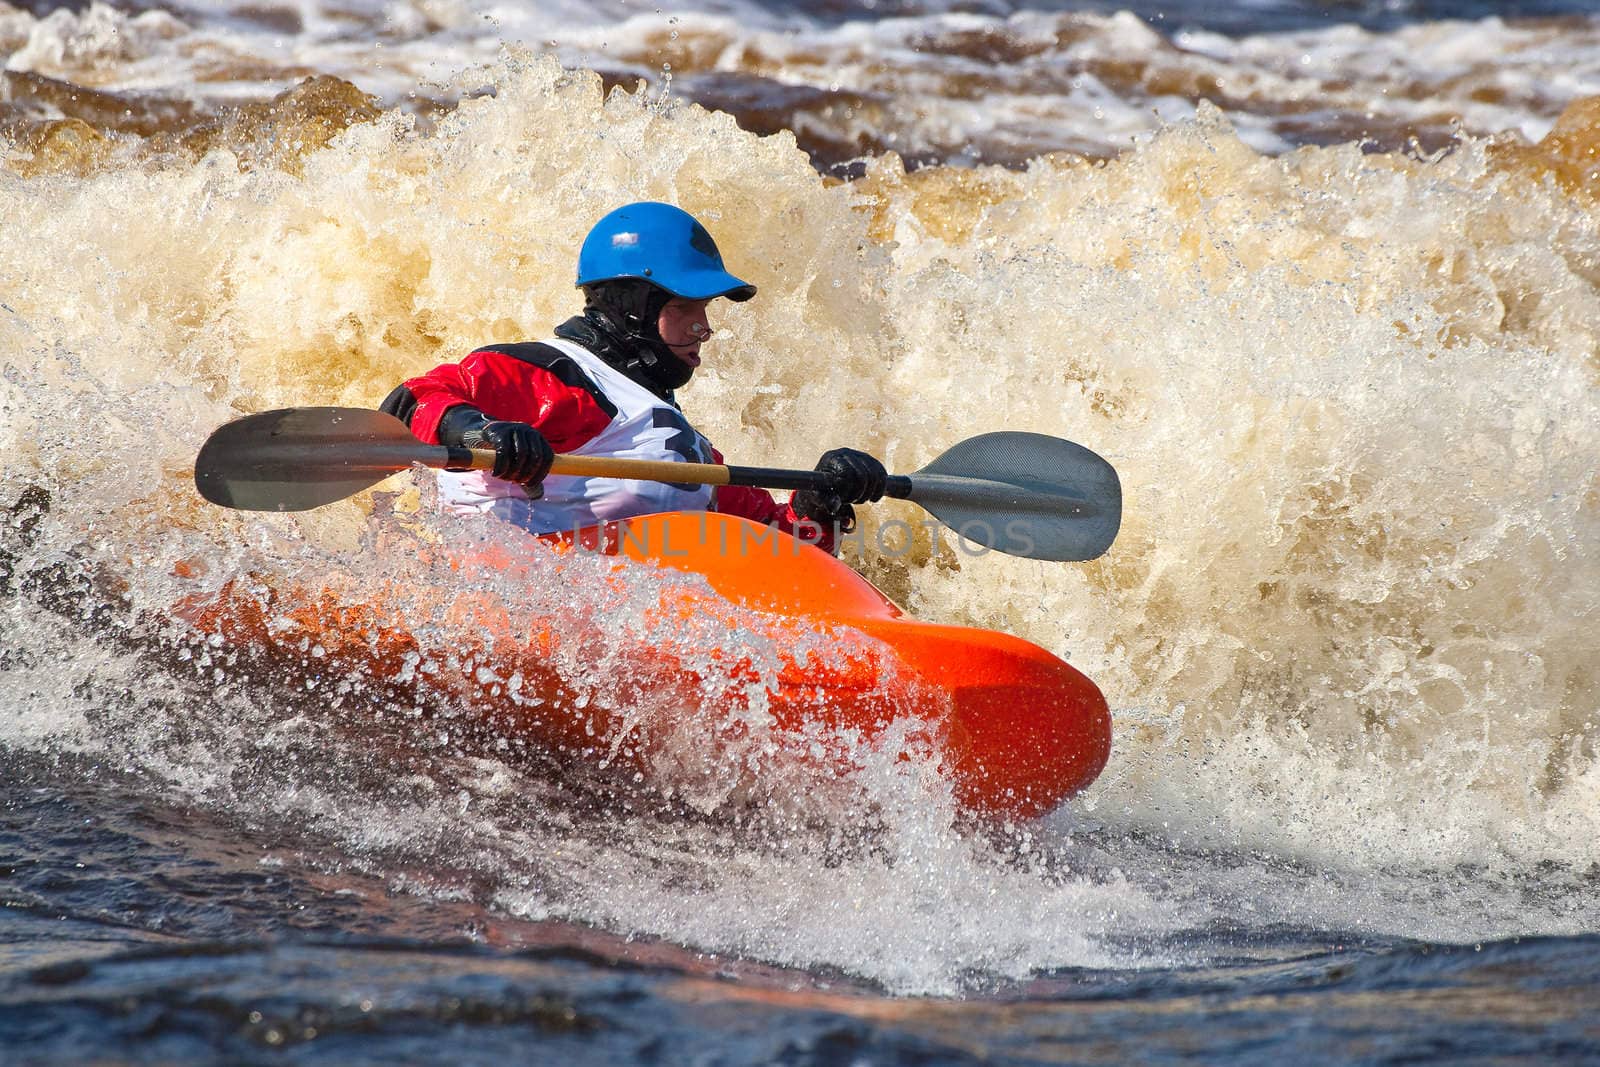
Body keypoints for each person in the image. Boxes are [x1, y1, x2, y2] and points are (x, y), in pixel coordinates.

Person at [379, 201, 885, 550]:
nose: (703, 327)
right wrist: (482, 434)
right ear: (633, 306)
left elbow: (786, 548)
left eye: (704, 309)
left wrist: (824, 500)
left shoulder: (685, 451)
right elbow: (411, 402)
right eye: (686, 307)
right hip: (487, 608)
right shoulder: (557, 377)